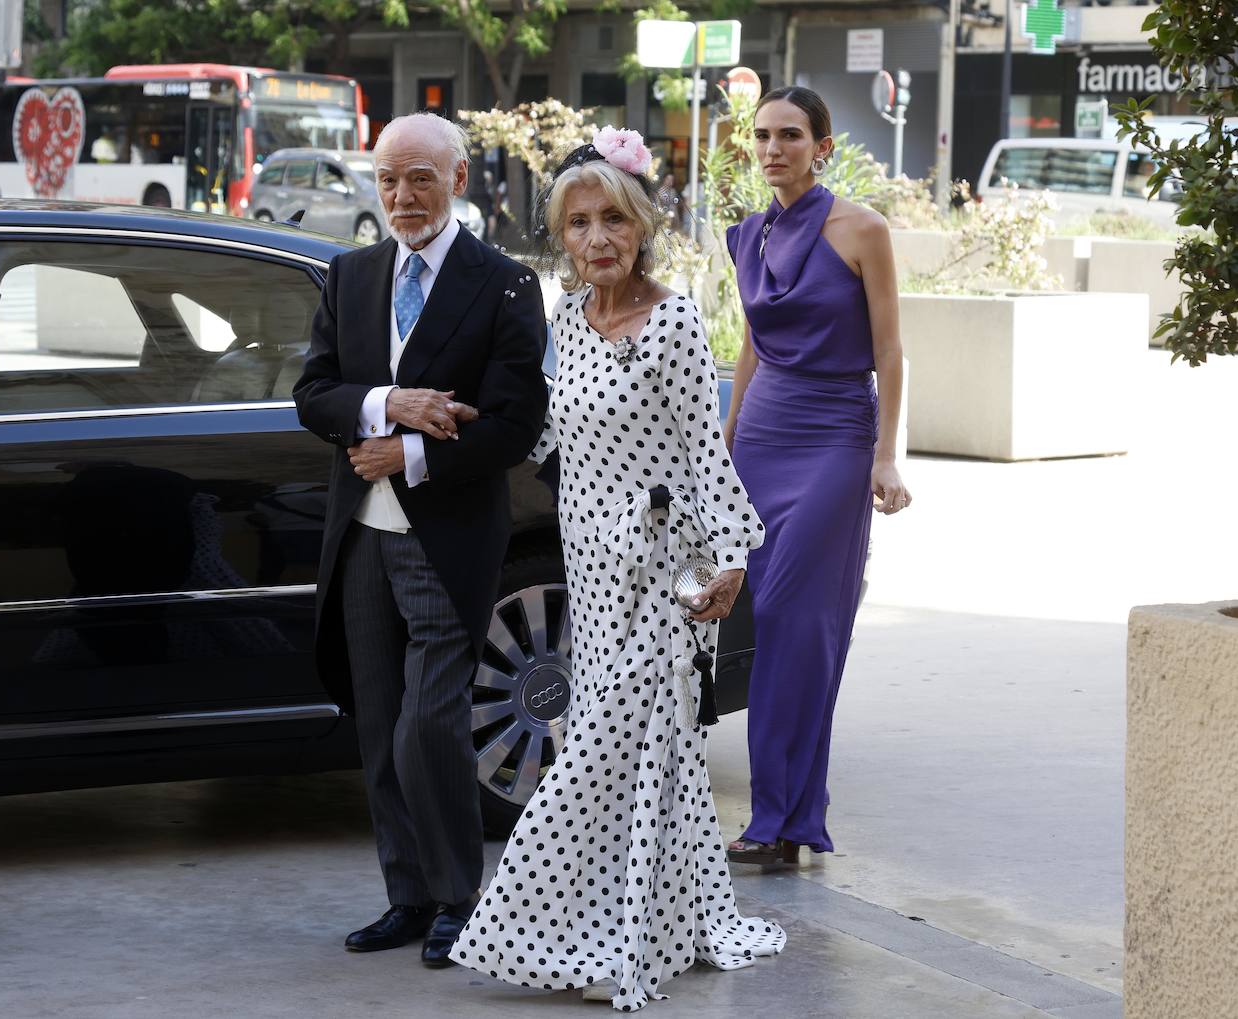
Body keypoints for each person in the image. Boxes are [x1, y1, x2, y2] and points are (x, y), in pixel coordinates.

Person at [452, 126, 786, 1012]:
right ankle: (661, 919)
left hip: (659, 575)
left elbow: (703, 452)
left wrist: (732, 559)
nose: (596, 238)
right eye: (577, 224)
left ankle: (525, 923)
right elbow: (553, 433)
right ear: (561, 238)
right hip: (588, 572)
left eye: (612, 220)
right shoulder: (568, 321)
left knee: (601, 749)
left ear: (640, 225)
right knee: (651, 754)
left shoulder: (673, 320)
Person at [292, 113, 548, 967]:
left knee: (428, 726)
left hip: (444, 535)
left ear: (460, 179)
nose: (403, 197)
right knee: (378, 725)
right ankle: (406, 894)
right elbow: (314, 392)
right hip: (360, 533)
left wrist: (409, 453)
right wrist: (387, 405)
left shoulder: (505, 285)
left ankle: (458, 897)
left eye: (421, 179)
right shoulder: (351, 272)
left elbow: (513, 424)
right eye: (389, 180)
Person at [722, 87, 912, 867]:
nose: (774, 149)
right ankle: (786, 819)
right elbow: (751, 344)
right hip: (762, 435)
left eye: (791, 135)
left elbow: (892, 350)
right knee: (770, 622)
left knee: (804, 623)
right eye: (763, 136)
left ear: (822, 145)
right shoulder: (747, 235)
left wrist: (886, 453)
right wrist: (725, 441)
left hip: (836, 436)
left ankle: (781, 817)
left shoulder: (863, 229)